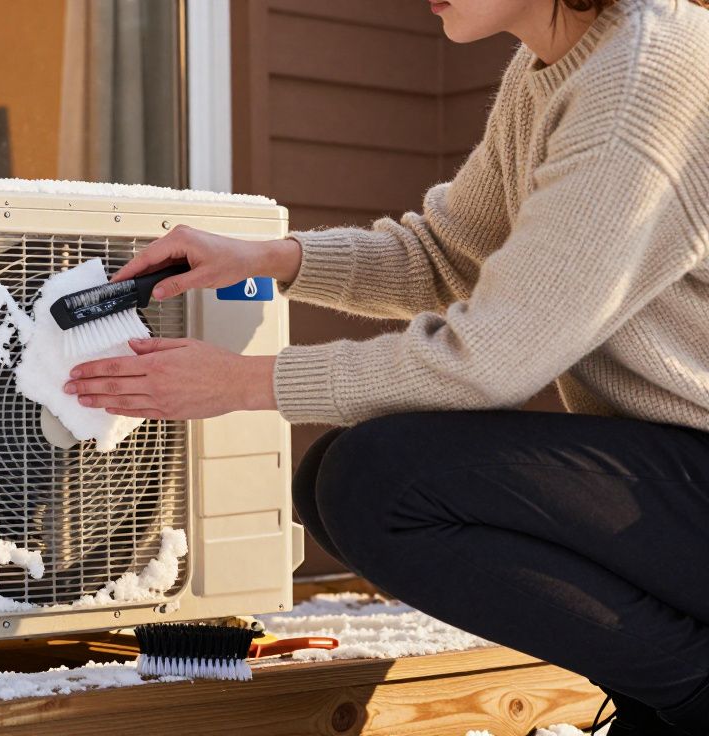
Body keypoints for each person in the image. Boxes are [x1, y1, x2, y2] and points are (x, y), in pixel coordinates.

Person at [63, 0, 709, 733]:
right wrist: (269, 259)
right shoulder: (553, 69)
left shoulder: (643, 71)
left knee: (380, 480)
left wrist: (239, 381)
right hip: (678, 471)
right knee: (336, 478)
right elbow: (445, 257)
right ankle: (664, 695)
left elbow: (492, 359)